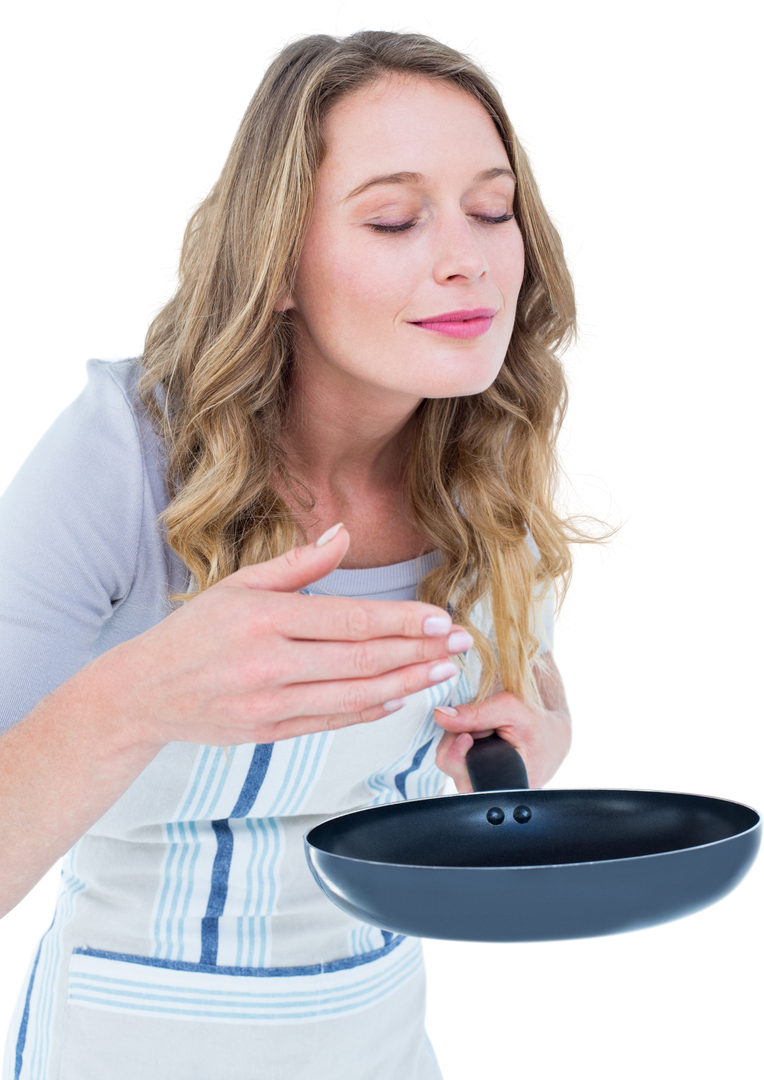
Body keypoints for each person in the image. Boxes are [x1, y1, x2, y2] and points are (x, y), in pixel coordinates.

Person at [1, 20, 582, 1079]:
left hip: (379, 1045)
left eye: (492, 210)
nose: (468, 259)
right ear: (276, 268)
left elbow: (527, 701)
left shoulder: (488, 456)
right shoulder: (118, 455)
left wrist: (524, 762)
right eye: (395, 220)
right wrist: (135, 700)